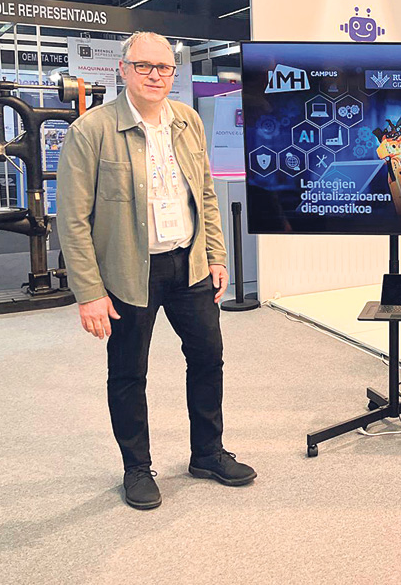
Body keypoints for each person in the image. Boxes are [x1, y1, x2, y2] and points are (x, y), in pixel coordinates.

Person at [57, 31, 256, 510]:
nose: (154, 75)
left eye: (163, 67)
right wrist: (89, 293)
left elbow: (204, 193)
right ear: (123, 70)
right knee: (129, 372)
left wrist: (216, 255)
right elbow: (73, 219)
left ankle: (207, 453)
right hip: (129, 270)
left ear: (173, 72)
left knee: (208, 358)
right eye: (143, 66)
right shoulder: (91, 131)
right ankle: (136, 468)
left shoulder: (187, 121)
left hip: (189, 264)